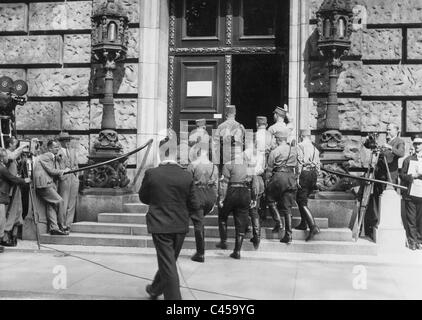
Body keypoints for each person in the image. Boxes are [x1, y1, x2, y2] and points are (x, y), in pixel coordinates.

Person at [139, 137, 200, 300]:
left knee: (168, 263)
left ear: (160, 152)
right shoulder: (186, 175)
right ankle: (155, 289)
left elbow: (143, 198)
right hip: (180, 225)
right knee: (169, 261)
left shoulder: (152, 173)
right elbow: (194, 203)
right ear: (175, 152)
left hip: (160, 225)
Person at [365, 123, 405, 239]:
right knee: (377, 199)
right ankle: (377, 222)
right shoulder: (386, 142)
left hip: (389, 176)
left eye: (389, 129)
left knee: (388, 200)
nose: (387, 131)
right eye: (386, 129)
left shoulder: (399, 141)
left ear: (396, 130)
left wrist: (389, 147)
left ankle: (388, 225)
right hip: (379, 175)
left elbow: (401, 153)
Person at [216, 148, 257, 259]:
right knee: (241, 224)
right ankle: (237, 251)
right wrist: (254, 198)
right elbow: (254, 184)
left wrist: (221, 198)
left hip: (231, 192)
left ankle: (223, 241)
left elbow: (224, 184)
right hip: (244, 193)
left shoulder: (228, 165)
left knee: (222, 217)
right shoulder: (249, 166)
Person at [186, 144, 218, 263]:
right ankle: (200, 252)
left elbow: (187, 184)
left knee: (198, 224)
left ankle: (200, 253)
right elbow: (215, 185)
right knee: (200, 221)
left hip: (197, 194)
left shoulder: (192, 165)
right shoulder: (214, 167)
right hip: (209, 195)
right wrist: (214, 200)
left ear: (197, 153)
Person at [266, 129, 298, 244]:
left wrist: (267, 181)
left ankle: (279, 222)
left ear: (279, 139)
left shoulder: (275, 151)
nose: (275, 140)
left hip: (278, 176)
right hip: (290, 177)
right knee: (287, 207)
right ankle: (288, 235)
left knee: (270, 199)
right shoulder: (294, 151)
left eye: (275, 139)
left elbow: (269, 169)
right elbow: (297, 165)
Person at [33, 140, 69, 236]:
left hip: (47, 184)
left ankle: (54, 228)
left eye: (58, 147)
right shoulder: (47, 156)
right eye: (55, 147)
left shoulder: (53, 157)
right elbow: (51, 170)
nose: (58, 149)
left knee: (51, 205)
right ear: (49, 148)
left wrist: (60, 162)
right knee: (60, 201)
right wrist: (63, 171)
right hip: (44, 184)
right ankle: (62, 225)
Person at [0, 148, 31, 251]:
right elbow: (11, 178)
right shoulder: (2, 168)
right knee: (1, 220)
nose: (7, 158)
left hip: (4, 195)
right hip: (2, 196)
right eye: (5, 157)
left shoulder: (3, 167)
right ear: (2, 158)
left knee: (4, 219)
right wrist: (23, 180)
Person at [295, 129, 321, 241]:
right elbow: (318, 166)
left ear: (301, 136)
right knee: (304, 198)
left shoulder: (299, 146)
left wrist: (297, 177)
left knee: (301, 200)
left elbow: (299, 162)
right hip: (313, 174)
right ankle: (303, 223)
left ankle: (313, 226)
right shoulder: (315, 148)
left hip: (304, 173)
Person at [399, 134, 422, 250]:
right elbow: (401, 175)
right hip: (411, 193)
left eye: (420, 143)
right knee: (411, 218)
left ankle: (420, 240)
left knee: (420, 219)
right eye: (416, 143)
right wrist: (411, 176)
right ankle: (412, 241)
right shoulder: (408, 160)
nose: (417, 146)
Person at [56, 132, 79, 233]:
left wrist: (76, 175)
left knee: (72, 202)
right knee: (63, 202)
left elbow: (76, 164)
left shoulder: (73, 151)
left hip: (73, 178)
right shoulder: (58, 152)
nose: (67, 142)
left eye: (68, 140)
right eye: (65, 140)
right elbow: (57, 166)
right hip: (64, 178)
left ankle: (69, 224)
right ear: (61, 141)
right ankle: (62, 224)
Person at [255, 116, 273, 221]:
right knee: (266, 189)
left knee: (257, 188)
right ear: (266, 125)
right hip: (268, 164)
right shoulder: (270, 135)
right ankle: (265, 212)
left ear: (257, 124)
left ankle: (257, 212)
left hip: (257, 165)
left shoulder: (254, 135)